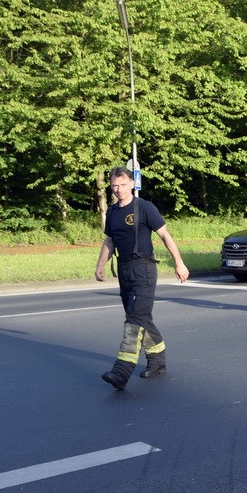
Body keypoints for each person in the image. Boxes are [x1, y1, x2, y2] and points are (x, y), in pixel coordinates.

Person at [95, 166, 189, 390]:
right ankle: (158, 360)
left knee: (134, 321)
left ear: (132, 184)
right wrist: (100, 265)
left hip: (144, 270)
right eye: (114, 186)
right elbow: (109, 241)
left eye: (123, 185)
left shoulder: (145, 208)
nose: (118, 190)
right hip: (124, 270)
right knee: (140, 317)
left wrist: (179, 262)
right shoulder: (113, 212)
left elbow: (165, 235)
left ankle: (122, 371)